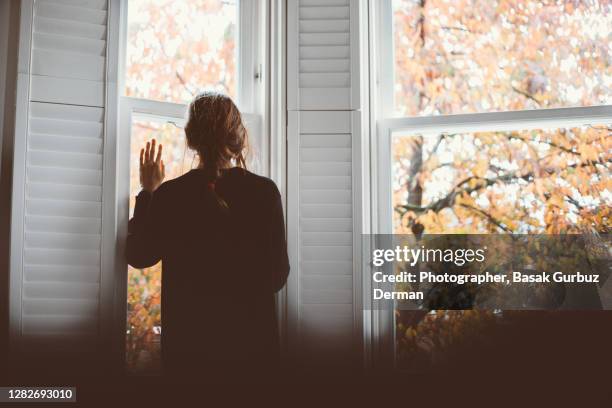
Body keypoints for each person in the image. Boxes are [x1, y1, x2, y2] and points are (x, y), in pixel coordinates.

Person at [127, 92, 290, 382]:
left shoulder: (170, 196)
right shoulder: (264, 192)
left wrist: (148, 193)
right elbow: (277, 276)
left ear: (191, 140)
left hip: (190, 355)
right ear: (238, 137)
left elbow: (139, 255)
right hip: (253, 354)